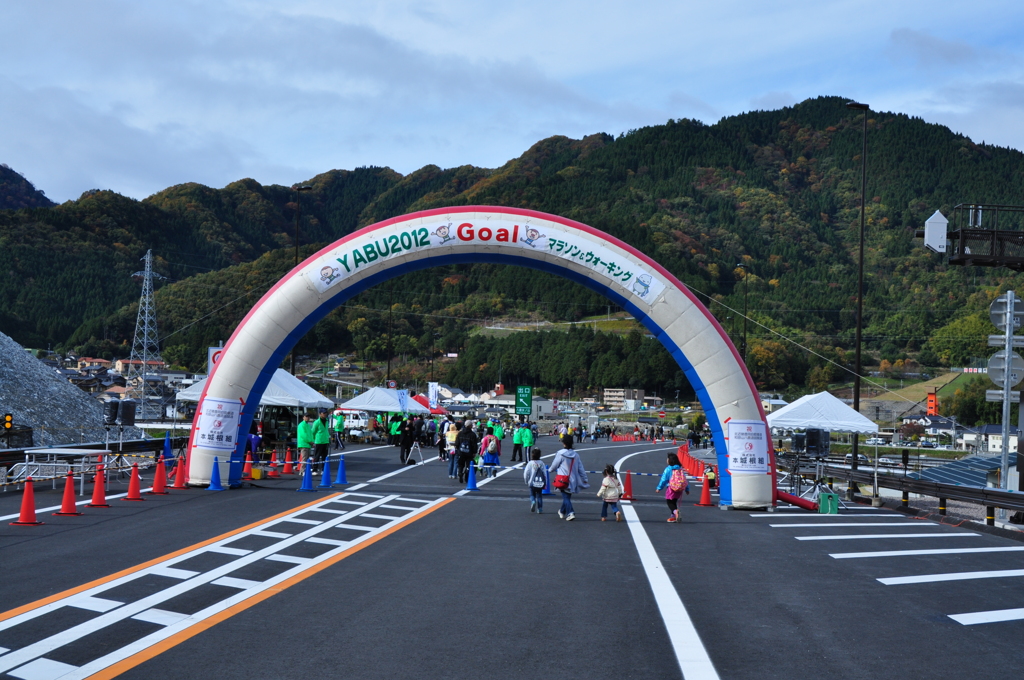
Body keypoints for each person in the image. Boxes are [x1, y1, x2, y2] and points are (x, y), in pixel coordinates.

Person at [548, 435, 588, 521]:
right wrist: (585, 478)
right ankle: (562, 511)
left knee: (566, 497)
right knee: (567, 496)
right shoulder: (576, 455)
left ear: (564, 443)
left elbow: (554, 465)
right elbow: (580, 468)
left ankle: (571, 513)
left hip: (562, 479)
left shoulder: (560, 453)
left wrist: (549, 470)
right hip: (573, 480)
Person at [655, 453, 687, 522]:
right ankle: (673, 516)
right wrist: (687, 489)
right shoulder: (680, 468)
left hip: (671, 488)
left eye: (668, 459)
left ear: (670, 460)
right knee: (674, 501)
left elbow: (664, 479)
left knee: (669, 502)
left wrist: (659, 488)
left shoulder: (668, 469)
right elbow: (684, 479)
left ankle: (675, 512)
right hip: (679, 489)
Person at [523, 448, 548, 513]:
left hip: (532, 482)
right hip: (540, 482)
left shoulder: (530, 463)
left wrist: (526, 481)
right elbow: (544, 473)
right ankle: (539, 509)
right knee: (539, 495)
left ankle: (533, 501)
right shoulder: (542, 463)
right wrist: (545, 482)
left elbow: (526, 473)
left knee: (532, 494)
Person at [311, 410, 331, 476]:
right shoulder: (317, 422)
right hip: (319, 441)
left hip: (325, 441)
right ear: (320, 414)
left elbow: (326, 430)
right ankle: (315, 469)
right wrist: (313, 441)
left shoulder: (327, 420)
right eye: (324, 413)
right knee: (317, 456)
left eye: (326, 413)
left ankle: (323, 469)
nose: (325, 414)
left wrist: (328, 438)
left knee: (324, 456)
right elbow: (313, 432)